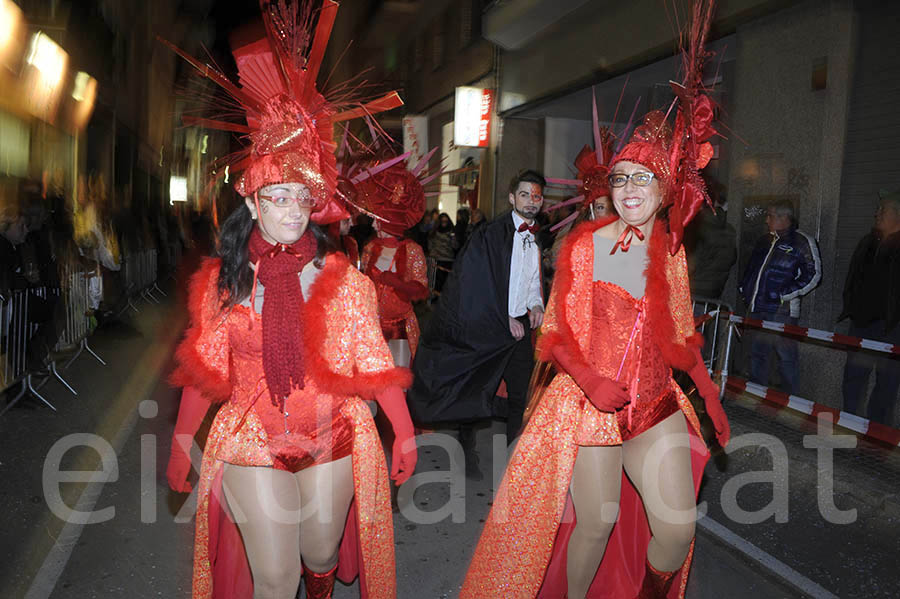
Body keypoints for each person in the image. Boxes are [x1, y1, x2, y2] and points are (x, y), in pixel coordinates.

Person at [459, 32, 730, 596]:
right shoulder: (584, 246)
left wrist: (705, 395)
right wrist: (589, 380)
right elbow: (554, 335)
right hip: (591, 408)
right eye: (623, 178)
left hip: (654, 406)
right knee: (595, 526)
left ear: (666, 190)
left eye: (643, 178)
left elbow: (680, 335)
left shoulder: (672, 253)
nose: (630, 188)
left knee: (676, 532)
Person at [162, 4, 416, 598]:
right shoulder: (222, 282)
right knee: (274, 579)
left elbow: (374, 366)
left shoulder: (344, 279)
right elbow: (205, 372)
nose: (291, 210)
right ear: (253, 203)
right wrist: (180, 445)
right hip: (252, 437)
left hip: (332, 435)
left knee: (318, 553)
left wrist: (404, 433)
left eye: (301, 198)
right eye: (277, 197)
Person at [408, 169, 545, 479]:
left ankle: (515, 462)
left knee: (520, 396)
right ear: (512, 197)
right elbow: (474, 283)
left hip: (521, 328)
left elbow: (531, 278)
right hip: (489, 324)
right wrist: (503, 317)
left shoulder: (536, 235)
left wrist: (536, 303)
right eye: (525, 194)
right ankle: (467, 450)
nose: (531, 200)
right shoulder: (490, 234)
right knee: (476, 388)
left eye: (536, 196)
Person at [739, 199, 821, 393]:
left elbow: (814, 274)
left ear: (784, 218)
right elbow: (751, 269)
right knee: (757, 354)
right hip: (757, 307)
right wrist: (745, 289)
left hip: (781, 311)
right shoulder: (764, 240)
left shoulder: (802, 241)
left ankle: (790, 404)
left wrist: (783, 295)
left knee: (786, 358)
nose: (766, 220)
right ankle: (756, 398)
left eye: (770, 216)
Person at [357, 160, 429, 367]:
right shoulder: (370, 247)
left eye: (377, 219)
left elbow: (421, 289)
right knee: (374, 381)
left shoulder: (412, 249)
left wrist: (397, 283)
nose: (372, 223)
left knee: (398, 380)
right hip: (372, 326)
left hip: (399, 328)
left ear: (389, 221)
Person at [840, 189, 900, 425]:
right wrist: (851, 306)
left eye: (882, 210)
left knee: (886, 383)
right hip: (861, 324)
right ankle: (850, 426)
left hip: (891, 327)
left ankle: (876, 436)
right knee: (853, 378)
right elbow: (853, 278)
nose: (876, 214)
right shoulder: (868, 242)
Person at [427, 212, 457, 295]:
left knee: (444, 283)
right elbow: (430, 244)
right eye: (442, 221)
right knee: (436, 282)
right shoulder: (434, 232)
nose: (444, 223)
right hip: (437, 260)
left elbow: (455, 245)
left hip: (447, 260)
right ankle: (435, 300)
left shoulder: (451, 232)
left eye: (445, 222)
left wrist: (453, 238)